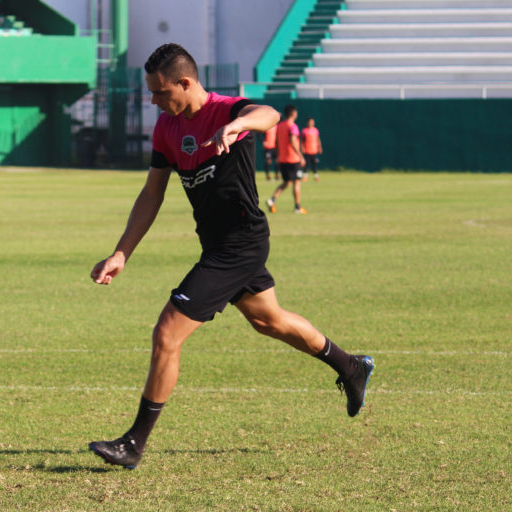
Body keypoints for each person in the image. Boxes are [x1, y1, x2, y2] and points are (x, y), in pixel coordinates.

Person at [88, 43, 374, 470]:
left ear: (186, 82)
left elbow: (270, 115)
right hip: (216, 243)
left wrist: (236, 126)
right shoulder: (166, 129)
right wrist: (121, 253)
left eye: (160, 92)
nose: (153, 102)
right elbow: (152, 194)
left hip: (240, 242)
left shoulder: (228, 111)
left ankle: (134, 444)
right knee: (268, 321)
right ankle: (351, 367)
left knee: (167, 333)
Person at [266, 105, 307, 214]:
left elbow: (276, 142)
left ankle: (272, 200)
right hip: (293, 159)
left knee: (287, 182)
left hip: (283, 159)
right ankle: (297, 207)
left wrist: (279, 155)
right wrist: (301, 156)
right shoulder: (292, 126)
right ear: (294, 113)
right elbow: (293, 142)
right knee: (297, 182)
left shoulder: (280, 126)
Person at [302, 117, 322, 182]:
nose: (311, 123)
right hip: (307, 150)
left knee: (314, 164)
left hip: (314, 150)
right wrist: (302, 148)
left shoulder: (316, 130)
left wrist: (319, 147)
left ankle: (316, 176)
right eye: (310, 122)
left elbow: (318, 139)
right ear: (307, 123)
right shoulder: (304, 130)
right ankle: (305, 176)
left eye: (312, 122)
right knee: (306, 164)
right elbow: (302, 141)